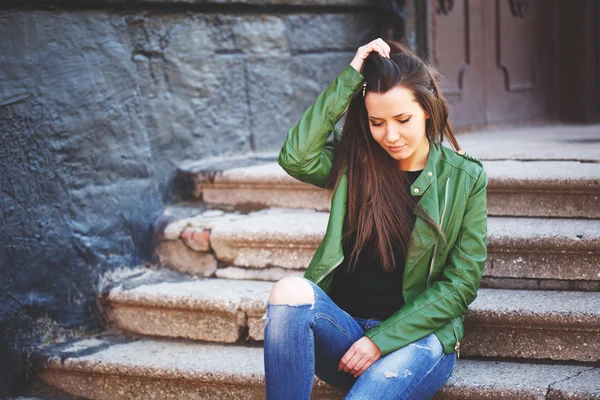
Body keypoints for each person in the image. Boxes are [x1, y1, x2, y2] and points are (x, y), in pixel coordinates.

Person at [262, 38, 488, 400]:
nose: (391, 135)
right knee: (289, 291)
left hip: (418, 340)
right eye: (376, 122)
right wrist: (352, 76)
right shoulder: (357, 164)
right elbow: (297, 157)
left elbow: (460, 285)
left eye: (403, 119)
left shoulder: (464, 178)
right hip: (346, 337)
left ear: (427, 110)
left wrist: (380, 341)